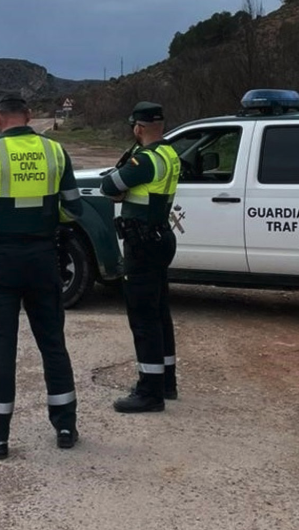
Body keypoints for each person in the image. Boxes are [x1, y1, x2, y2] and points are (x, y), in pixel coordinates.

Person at [0, 91, 83, 459]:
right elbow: (73, 209)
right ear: (28, 116)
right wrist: (43, 219)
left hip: (1, 262)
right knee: (53, 344)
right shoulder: (55, 151)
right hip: (44, 260)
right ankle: (65, 427)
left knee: (2, 350)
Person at [101, 101, 180, 413]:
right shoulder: (169, 154)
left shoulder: (145, 159)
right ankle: (166, 382)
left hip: (142, 243)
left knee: (143, 318)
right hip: (161, 237)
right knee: (159, 313)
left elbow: (109, 185)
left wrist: (119, 181)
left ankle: (149, 392)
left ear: (138, 128)